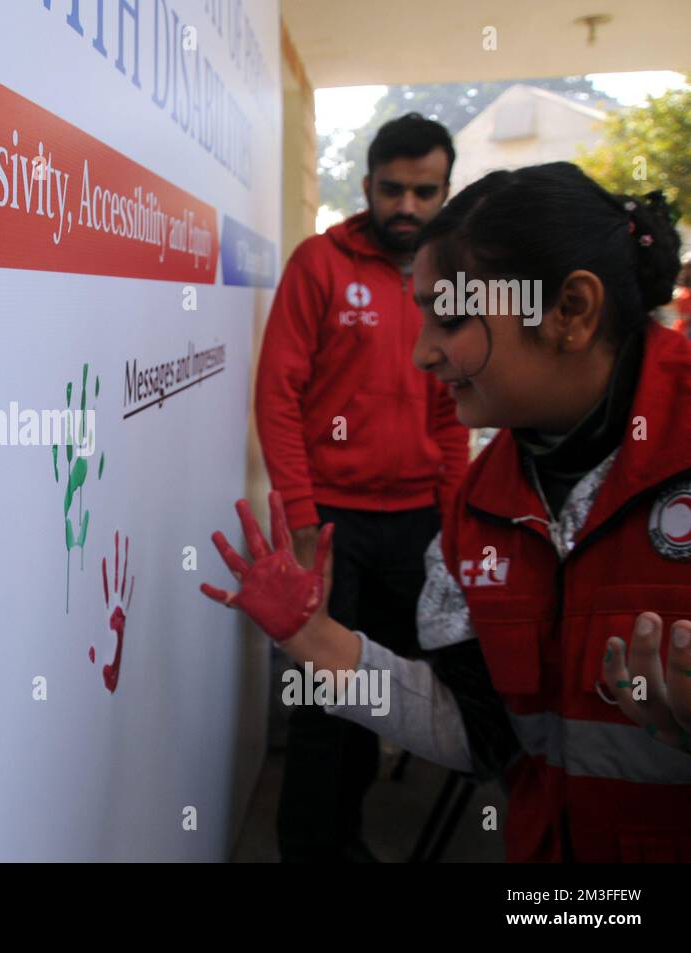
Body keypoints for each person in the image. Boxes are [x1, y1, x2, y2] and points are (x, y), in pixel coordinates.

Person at [206, 161, 691, 862]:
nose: (422, 351)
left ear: (571, 313)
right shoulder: (478, 512)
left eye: (453, 317)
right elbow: (477, 730)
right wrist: (316, 640)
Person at [254, 112, 469, 862]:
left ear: (446, 190)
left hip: (415, 526)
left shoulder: (445, 280)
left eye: (424, 190)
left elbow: (451, 411)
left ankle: (342, 839)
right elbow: (276, 394)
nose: (406, 206)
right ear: (366, 184)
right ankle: (310, 850)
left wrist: (457, 517)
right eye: (391, 189)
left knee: (383, 697)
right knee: (321, 700)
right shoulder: (319, 263)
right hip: (333, 522)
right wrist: (304, 516)